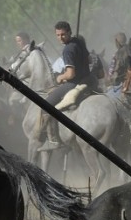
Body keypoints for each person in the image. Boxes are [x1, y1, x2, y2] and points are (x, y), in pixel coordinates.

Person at [38, 21, 97, 151]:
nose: (60, 38)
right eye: (58, 35)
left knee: (45, 105)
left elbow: (70, 74)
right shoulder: (79, 41)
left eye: (63, 34)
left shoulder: (68, 50)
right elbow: (89, 60)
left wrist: (60, 77)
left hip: (74, 83)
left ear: (69, 32)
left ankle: (53, 140)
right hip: (88, 79)